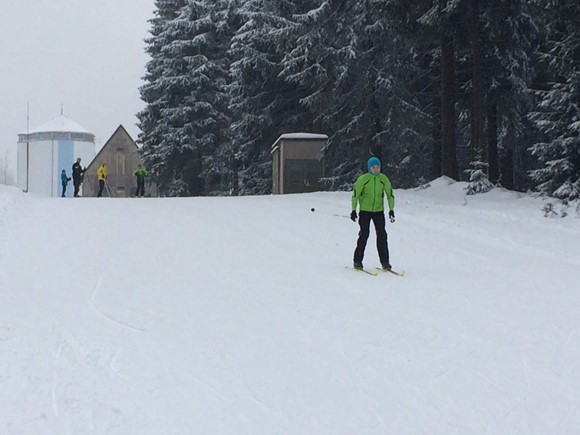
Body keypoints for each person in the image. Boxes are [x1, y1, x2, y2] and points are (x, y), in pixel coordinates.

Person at [350, 156, 395, 270]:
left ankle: (385, 262)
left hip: (378, 211)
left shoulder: (383, 179)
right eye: (373, 167)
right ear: (369, 168)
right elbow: (355, 195)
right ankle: (357, 260)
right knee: (364, 234)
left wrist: (391, 209)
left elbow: (390, 195)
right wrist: (354, 210)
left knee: (382, 235)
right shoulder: (363, 179)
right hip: (365, 211)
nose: (376, 170)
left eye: (378, 167)